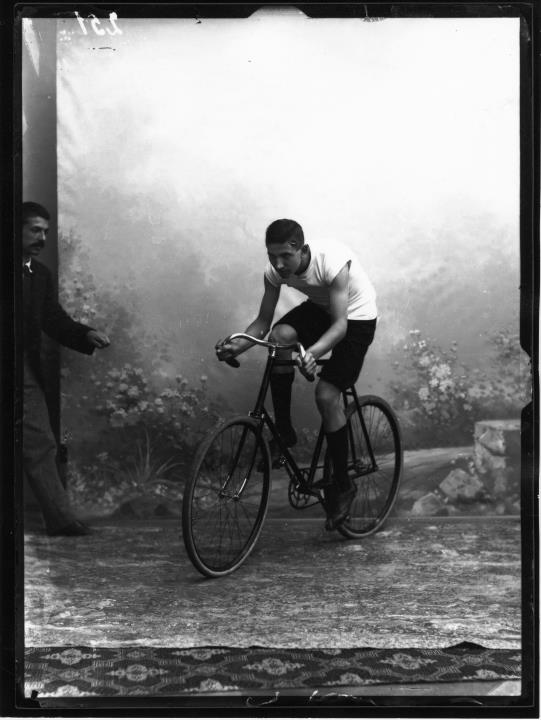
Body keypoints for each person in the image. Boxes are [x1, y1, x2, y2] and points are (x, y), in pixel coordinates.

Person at [215, 218, 377, 531]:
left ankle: (343, 485)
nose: (278, 264)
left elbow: (340, 326)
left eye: (285, 256)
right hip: (321, 309)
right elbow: (262, 323)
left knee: (326, 395)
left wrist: (311, 354)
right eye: (272, 256)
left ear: (301, 249)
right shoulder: (275, 271)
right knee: (279, 337)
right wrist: (237, 346)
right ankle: (285, 432)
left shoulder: (331, 262)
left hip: (355, 318)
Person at [21, 201, 111, 536]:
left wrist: (85, 334)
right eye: (34, 230)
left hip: (22, 371)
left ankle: (60, 521)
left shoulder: (40, 275)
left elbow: (53, 319)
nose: (42, 238)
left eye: (45, 232)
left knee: (41, 442)